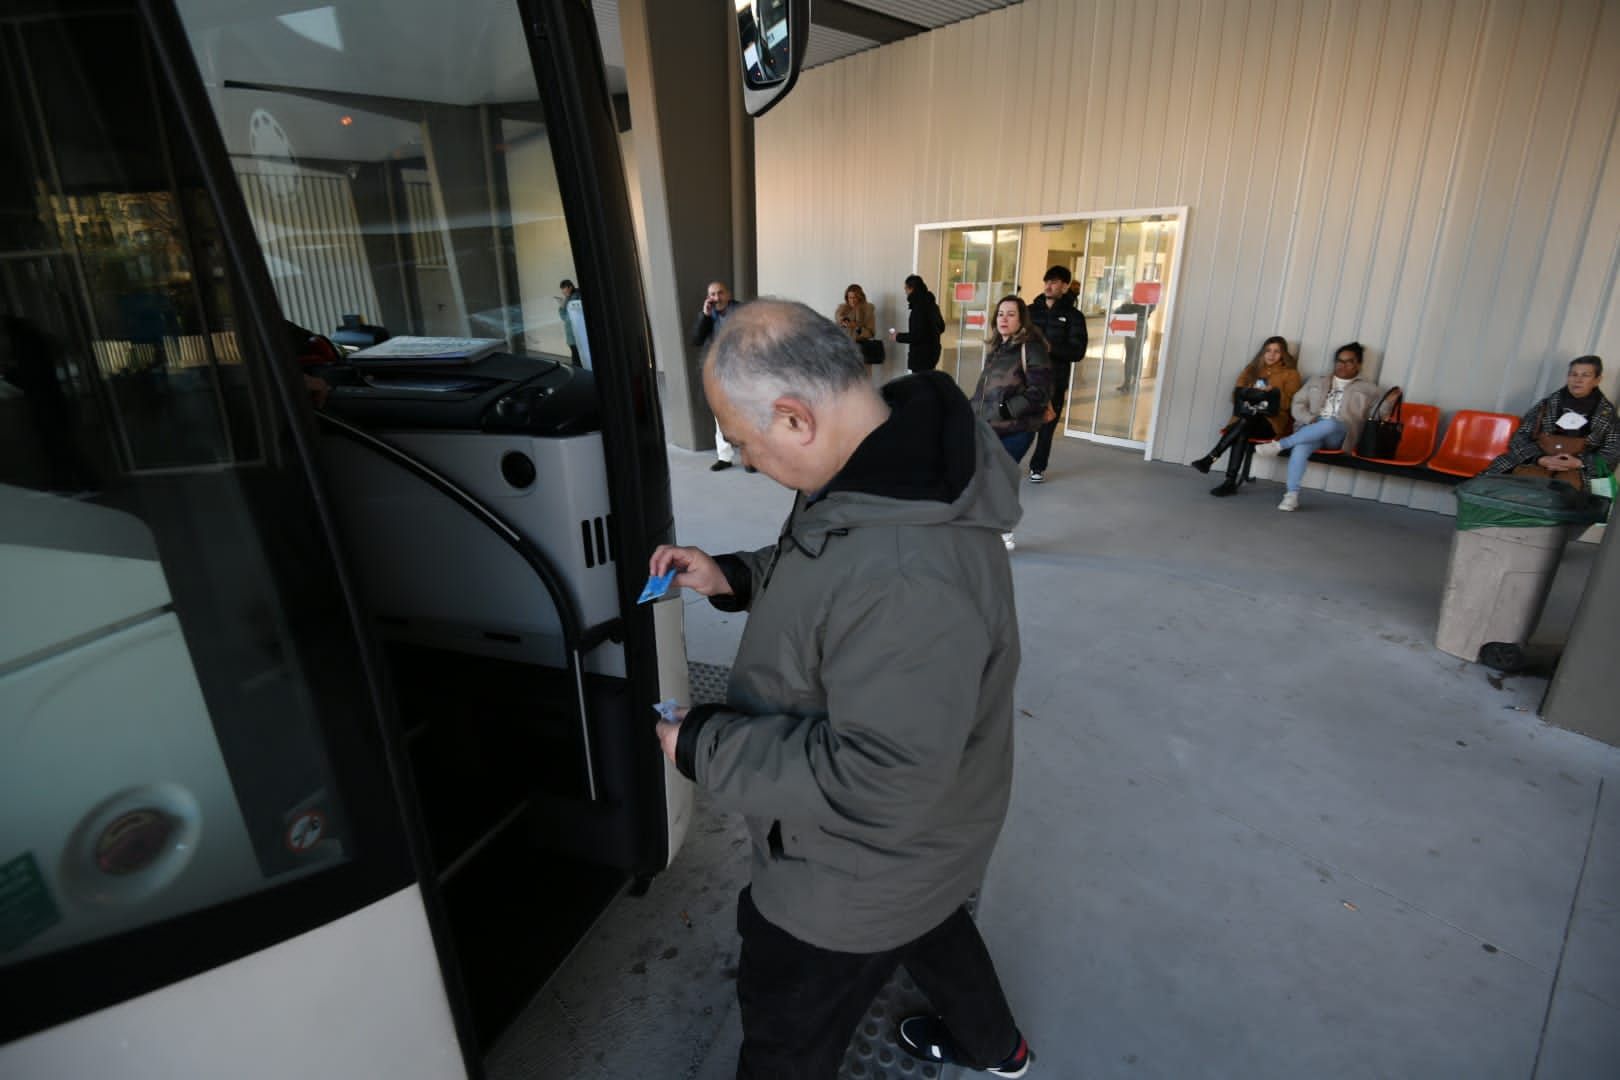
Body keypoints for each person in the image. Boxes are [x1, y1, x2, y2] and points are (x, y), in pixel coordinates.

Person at [649, 299, 1034, 1080]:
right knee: (931, 921)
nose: (749, 461)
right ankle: (998, 1047)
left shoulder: (910, 574)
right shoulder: (877, 467)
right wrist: (734, 576)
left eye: (746, 442)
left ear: (793, 417)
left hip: (852, 864)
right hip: (922, 849)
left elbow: (880, 779)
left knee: (788, 1034)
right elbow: (828, 566)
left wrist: (702, 742)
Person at [1253, 341, 1382, 511]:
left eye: (1348, 361)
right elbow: (1297, 404)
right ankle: (1291, 495)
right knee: (1301, 447)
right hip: (1311, 429)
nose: (1342, 365)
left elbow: (1378, 415)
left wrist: (1389, 402)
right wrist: (1309, 418)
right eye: (1339, 360)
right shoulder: (1316, 381)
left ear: (1358, 364)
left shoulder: (1369, 389)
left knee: (1329, 423)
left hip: (1340, 435)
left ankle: (1280, 445)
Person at [971, 295, 1052, 551]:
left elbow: (1040, 391)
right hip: (989, 427)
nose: (1004, 319)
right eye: (1000, 314)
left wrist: (1007, 410)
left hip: (1017, 429)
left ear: (1022, 320)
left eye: (1011, 314)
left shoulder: (1031, 348)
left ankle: (1003, 532)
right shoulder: (997, 349)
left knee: (1000, 477)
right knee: (989, 477)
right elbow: (984, 391)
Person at [1191, 335, 1301, 496]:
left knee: (1245, 423)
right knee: (1244, 427)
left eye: (1277, 351)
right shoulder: (1251, 369)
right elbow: (1235, 396)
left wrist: (1272, 394)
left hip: (1271, 422)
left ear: (1283, 354)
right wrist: (1253, 393)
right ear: (1263, 352)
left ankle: (1212, 459)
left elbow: (1288, 404)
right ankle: (1229, 482)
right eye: (1268, 350)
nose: (1272, 355)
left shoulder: (1291, 374)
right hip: (1246, 419)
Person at [1483, 354, 1619, 485]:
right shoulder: (1547, 405)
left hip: (1579, 470)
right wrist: (1540, 459)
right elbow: (1520, 437)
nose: (1578, 380)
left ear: (1597, 380)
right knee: (1521, 486)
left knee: (1567, 492)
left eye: (1585, 375)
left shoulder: (1607, 413)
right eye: (1573, 374)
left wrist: (1580, 462)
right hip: (1538, 461)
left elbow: (1613, 450)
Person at [1025, 266, 1088, 483]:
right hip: (1027, 378)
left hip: (1055, 381)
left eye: (1054, 282)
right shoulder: (1030, 311)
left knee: (1047, 426)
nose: (1048, 286)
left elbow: (1078, 352)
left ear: (1065, 286)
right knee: (1016, 421)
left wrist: (1051, 348)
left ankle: (1037, 467)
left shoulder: (1074, 316)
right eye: (1047, 282)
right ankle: (1004, 461)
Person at [690, 280, 745, 471]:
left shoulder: (742, 311)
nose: (716, 298)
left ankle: (750, 457)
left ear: (728, 295)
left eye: (720, 293)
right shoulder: (708, 315)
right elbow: (696, 339)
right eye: (712, 294)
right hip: (717, 372)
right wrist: (705, 315)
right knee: (720, 416)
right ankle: (724, 457)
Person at [887, 274, 944, 373]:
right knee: (928, 383)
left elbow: (916, 336)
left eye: (906, 289)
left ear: (912, 289)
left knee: (920, 385)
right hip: (933, 353)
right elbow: (942, 327)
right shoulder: (932, 305)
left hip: (921, 356)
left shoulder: (918, 308)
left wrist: (897, 336)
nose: (905, 292)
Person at [835, 283, 881, 371]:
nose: (852, 300)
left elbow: (871, 333)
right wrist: (842, 323)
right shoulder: (841, 312)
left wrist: (857, 327)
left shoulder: (867, 310)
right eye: (850, 298)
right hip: (846, 350)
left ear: (860, 297)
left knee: (864, 379)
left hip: (862, 350)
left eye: (854, 297)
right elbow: (837, 331)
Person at [557, 279, 581, 365]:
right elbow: (564, 317)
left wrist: (564, 306)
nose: (563, 292)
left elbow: (575, 315)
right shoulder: (567, 298)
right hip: (571, 333)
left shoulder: (577, 296)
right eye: (562, 290)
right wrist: (562, 307)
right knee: (575, 354)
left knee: (578, 356)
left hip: (577, 333)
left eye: (565, 289)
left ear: (570, 287)